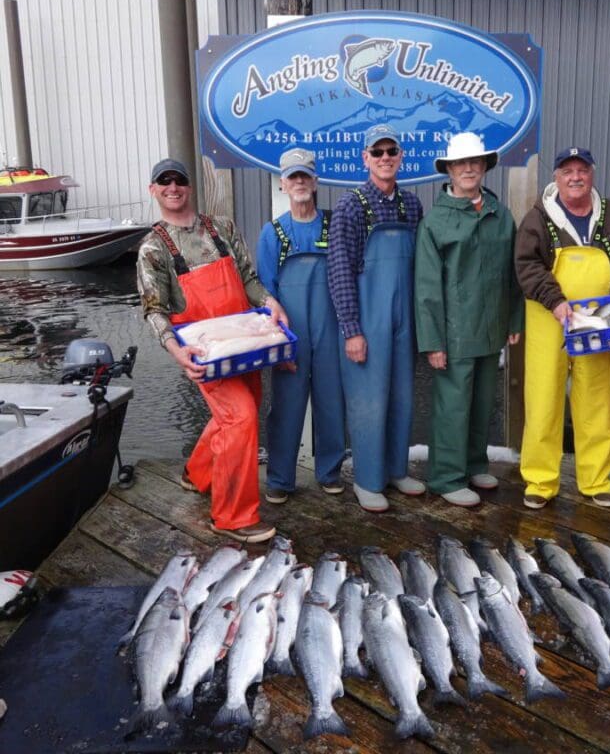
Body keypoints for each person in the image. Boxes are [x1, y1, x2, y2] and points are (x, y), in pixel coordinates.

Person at [137, 158, 288, 543]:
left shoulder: (222, 228)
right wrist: (175, 351)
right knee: (240, 417)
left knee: (235, 413)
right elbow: (154, 310)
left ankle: (197, 474)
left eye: (179, 180)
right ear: (154, 190)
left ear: (190, 187)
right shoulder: (153, 247)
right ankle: (232, 516)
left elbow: (249, 279)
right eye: (164, 181)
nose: (173, 187)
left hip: (243, 342)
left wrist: (270, 303)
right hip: (203, 352)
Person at [515, 147, 610, 511]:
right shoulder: (537, 219)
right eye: (567, 171)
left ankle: (597, 481)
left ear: (592, 174)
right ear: (556, 177)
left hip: (596, 322)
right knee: (543, 402)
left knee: (597, 402)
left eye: (581, 170)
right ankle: (540, 480)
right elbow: (526, 265)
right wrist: (555, 300)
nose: (575, 177)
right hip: (549, 319)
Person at [415, 132, 523, 507]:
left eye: (475, 162)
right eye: (461, 163)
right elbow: (426, 287)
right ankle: (447, 476)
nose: (469, 169)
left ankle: (475, 463)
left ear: (485, 167)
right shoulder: (436, 223)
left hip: (491, 326)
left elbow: (513, 272)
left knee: (481, 402)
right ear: (449, 169)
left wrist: (513, 319)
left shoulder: (499, 214)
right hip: (455, 332)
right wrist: (432, 342)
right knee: (453, 405)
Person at [327, 123, 426, 512]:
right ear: (365, 158)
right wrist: (351, 329)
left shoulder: (412, 205)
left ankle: (396, 469)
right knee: (369, 400)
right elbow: (339, 270)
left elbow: (421, 266)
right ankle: (368, 479)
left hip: (404, 319)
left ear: (401, 157)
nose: (385, 158)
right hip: (367, 320)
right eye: (377, 152)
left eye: (391, 151)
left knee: (402, 395)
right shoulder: (351, 205)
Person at [255, 147, 345, 504]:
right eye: (293, 177)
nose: (300, 182)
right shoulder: (272, 233)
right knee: (287, 407)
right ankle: (279, 478)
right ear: (283, 184)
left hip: (330, 332)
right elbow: (265, 293)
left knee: (331, 404)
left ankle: (330, 472)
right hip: (291, 337)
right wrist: (277, 345)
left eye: (305, 175)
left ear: (316, 181)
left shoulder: (334, 223)